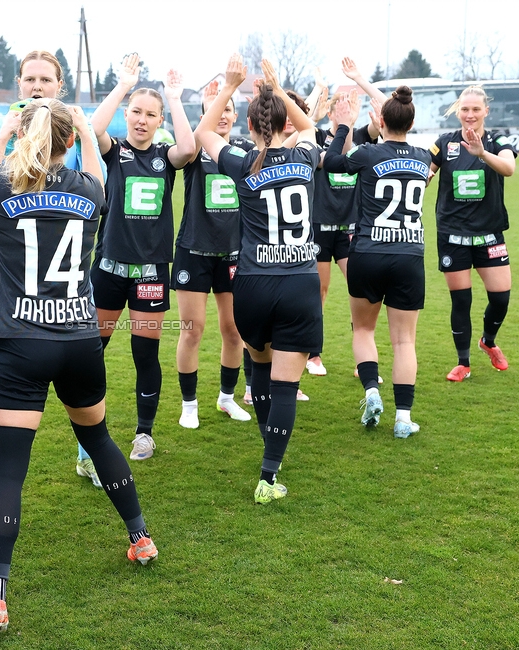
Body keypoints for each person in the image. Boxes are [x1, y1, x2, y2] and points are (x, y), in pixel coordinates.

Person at [0, 99, 157, 633]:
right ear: (69, 140)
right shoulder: (87, 188)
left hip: (19, 341)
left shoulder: (4, 185)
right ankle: (140, 538)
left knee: (9, 472)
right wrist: (83, 133)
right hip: (78, 339)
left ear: (23, 135)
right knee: (98, 438)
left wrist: (5, 132)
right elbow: (97, 171)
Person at [0, 50, 106, 497]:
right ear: (18, 83)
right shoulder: (0, 125)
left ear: (59, 85)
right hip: (12, 265)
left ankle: (89, 458)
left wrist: (82, 129)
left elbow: (96, 184)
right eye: (29, 78)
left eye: (45, 79)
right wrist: (11, 133)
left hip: (67, 266)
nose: (36, 86)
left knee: (80, 363)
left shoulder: (69, 125)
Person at [194, 55, 322, 504]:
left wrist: (228, 86)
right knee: (287, 385)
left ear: (249, 126)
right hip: (300, 284)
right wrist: (280, 90)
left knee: (262, 372)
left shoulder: (242, 161)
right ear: (285, 122)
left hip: (252, 283)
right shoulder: (306, 156)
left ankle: (269, 455)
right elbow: (309, 129)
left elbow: (204, 134)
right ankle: (269, 473)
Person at [89, 54, 196, 461]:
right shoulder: (114, 150)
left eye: (151, 114)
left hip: (150, 273)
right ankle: (91, 428)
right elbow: (93, 127)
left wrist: (174, 97)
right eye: (136, 111)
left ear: (158, 120)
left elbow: (188, 147)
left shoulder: (165, 158)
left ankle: (144, 433)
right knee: (92, 349)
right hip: (109, 269)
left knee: (144, 354)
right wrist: (122, 86)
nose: (141, 120)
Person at [323, 87, 432, 439]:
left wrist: (344, 126)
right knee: (404, 342)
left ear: (379, 121)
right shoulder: (420, 157)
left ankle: (371, 391)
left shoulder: (367, 153)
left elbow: (334, 164)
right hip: (408, 255)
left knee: (364, 330)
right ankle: (403, 417)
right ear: (412, 122)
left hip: (368, 252)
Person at [173, 80, 254, 429]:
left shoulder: (246, 149)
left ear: (237, 115)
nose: (221, 114)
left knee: (234, 330)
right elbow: (188, 146)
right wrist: (215, 100)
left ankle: (226, 398)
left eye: (228, 109)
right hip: (194, 249)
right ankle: (189, 405)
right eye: (215, 109)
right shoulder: (194, 146)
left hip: (234, 252)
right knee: (192, 330)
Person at [305, 57, 388, 380]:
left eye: (348, 104)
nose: (344, 109)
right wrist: (318, 94)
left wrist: (360, 82)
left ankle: (362, 361)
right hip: (318, 229)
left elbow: (385, 110)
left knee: (362, 290)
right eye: (338, 105)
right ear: (330, 111)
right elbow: (301, 120)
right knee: (319, 291)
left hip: (351, 230)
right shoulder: (317, 138)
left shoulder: (365, 139)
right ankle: (313, 354)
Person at [429, 87, 517, 382]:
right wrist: (422, 177)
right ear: (458, 111)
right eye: (464, 109)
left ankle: (488, 341)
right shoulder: (444, 143)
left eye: (475, 110)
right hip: (453, 235)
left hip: (489, 233)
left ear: (485, 112)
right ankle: (463, 362)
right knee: (461, 301)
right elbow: (426, 174)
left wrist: (482, 153)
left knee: (501, 297)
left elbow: (509, 168)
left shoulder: (498, 141)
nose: (469, 115)